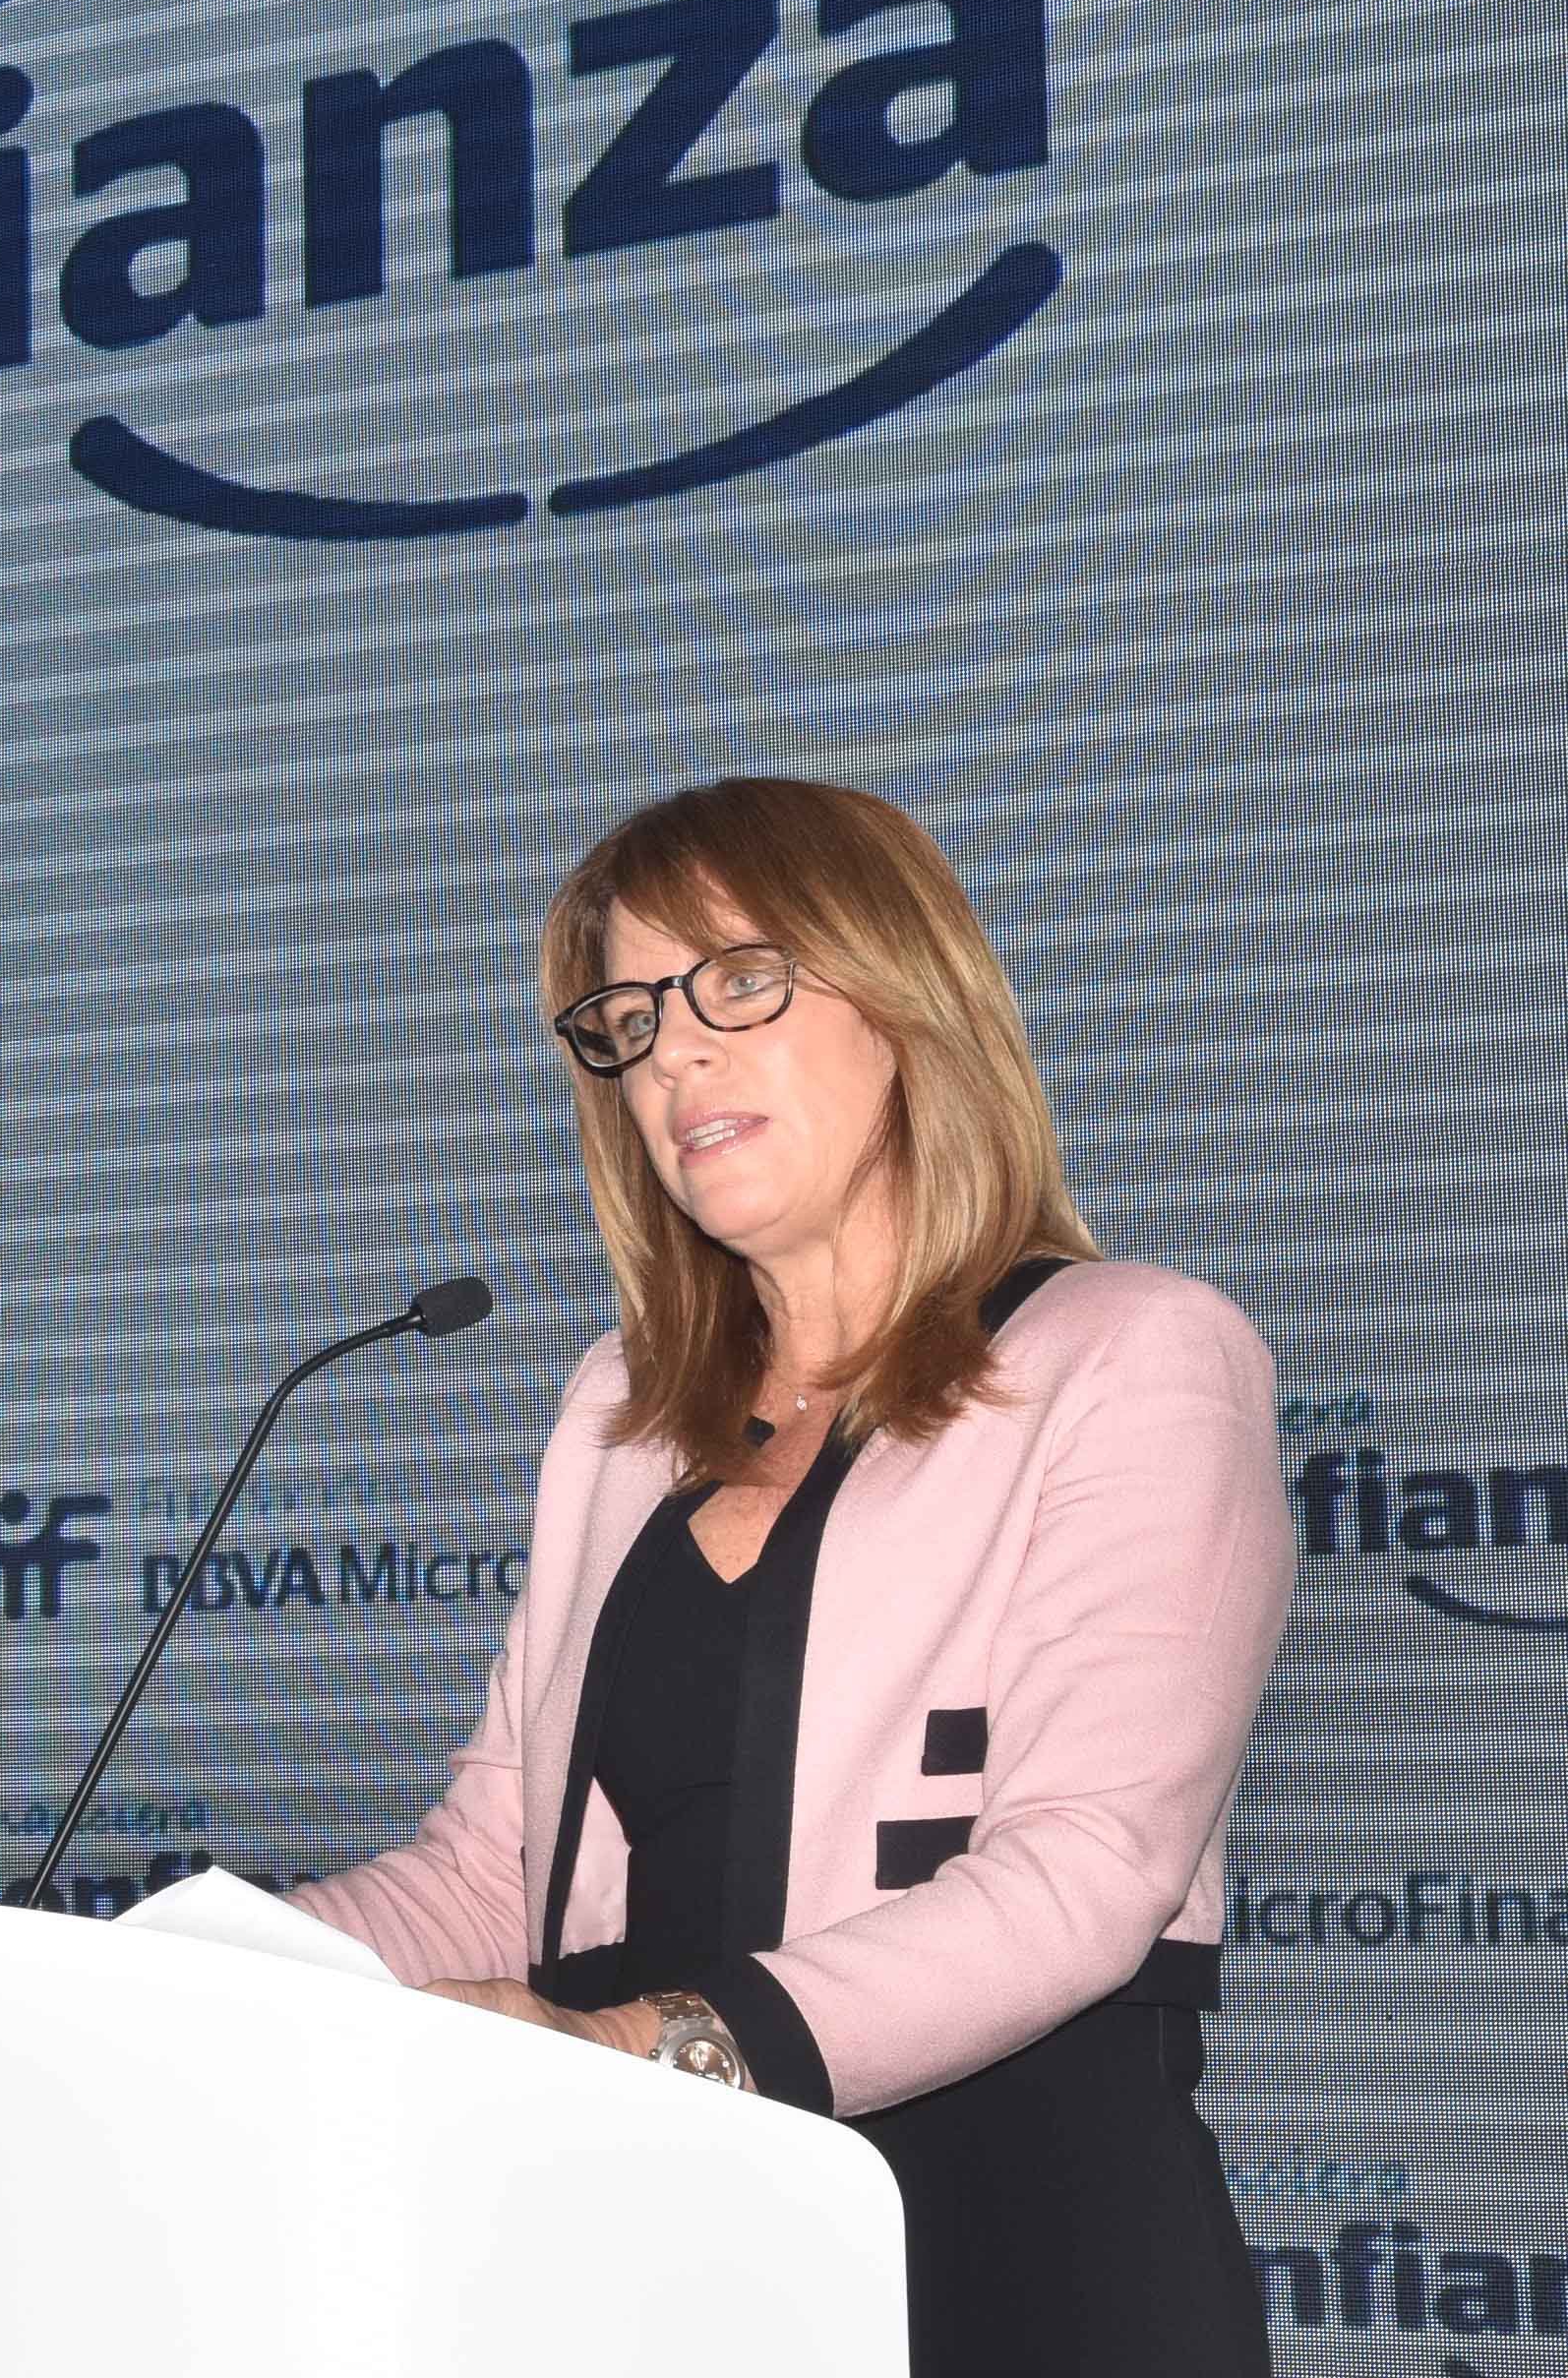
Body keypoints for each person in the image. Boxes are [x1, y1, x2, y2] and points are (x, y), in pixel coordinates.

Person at [292, 776, 1290, 2378]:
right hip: (651, 2265)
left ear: (907, 1000)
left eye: (739, 982)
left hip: (1014, 2251)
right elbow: (492, 1873)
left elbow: (1087, 1872)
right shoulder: (616, 1416)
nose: (672, 1054)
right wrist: (187, 1975)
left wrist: (654, 2047)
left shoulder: (1132, 1354)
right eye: (629, 1017)